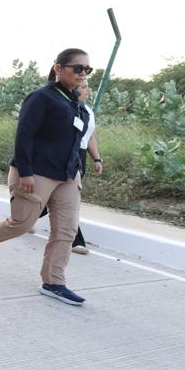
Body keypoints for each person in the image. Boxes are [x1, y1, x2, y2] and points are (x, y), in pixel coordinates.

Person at [0, 48, 93, 305]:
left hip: (68, 176)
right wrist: (25, 171)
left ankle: (54, 282)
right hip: (37, 172)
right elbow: (24, 134)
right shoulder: (42, 97)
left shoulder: (77, 104)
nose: (83, 73)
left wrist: (81, 168)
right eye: (78, 68)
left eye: (87, 69)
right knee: (21, 223)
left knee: (66, 231)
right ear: (58, 68)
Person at [71, 81, 103, 254]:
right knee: (69, 197)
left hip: (81, 155)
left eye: (87, 87)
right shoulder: (67, 107)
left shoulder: (88, 111)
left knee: (62, 196)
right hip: (67, 153)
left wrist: (97, 159)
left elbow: (90, 137)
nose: (87, 90)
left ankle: (25, 217)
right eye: (83, 87)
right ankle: (76, 240)